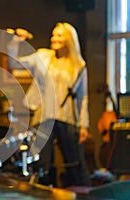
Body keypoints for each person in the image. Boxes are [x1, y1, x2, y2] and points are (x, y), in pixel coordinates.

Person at [7, 23, 91, 187]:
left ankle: (84, 194)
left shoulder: (79, 65)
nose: (54, 38)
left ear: (69, 39)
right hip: (44, 115)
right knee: (42, 163)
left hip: (67, 116)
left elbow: (83, 97)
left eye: (59, 35)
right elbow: (15, 65)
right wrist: (14, 44)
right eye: (53, 35)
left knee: (75, 163)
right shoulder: (43, 56)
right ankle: (43, 192)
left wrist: (84, 125)